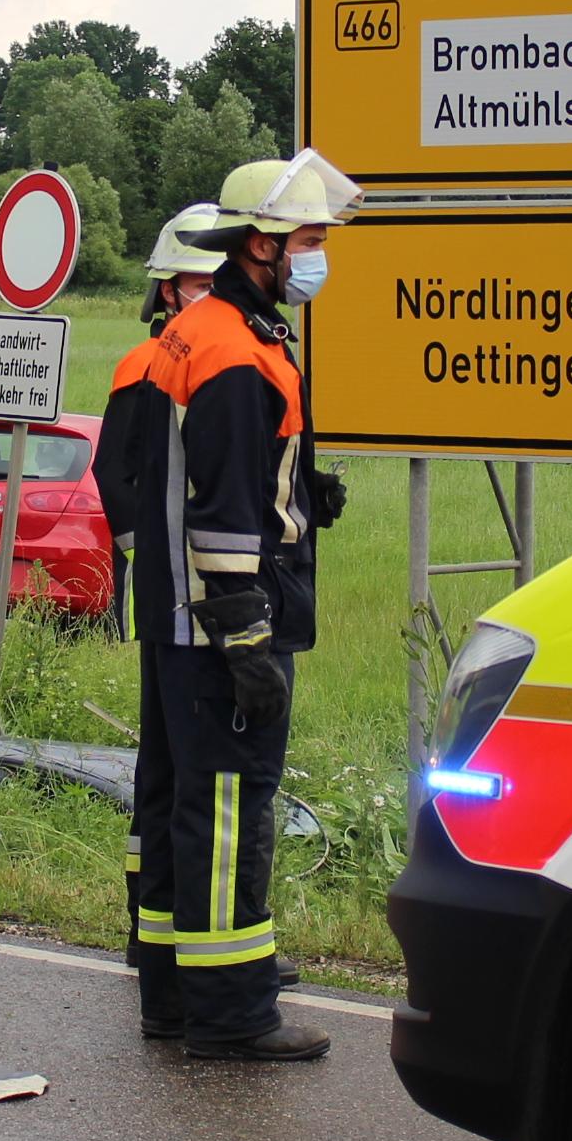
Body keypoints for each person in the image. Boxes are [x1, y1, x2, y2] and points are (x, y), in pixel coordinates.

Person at [136, 150, 363, 1061]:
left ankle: (173, 999)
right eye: (311, 240)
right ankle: (232, 1014)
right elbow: (223, 510)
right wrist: (248, 638)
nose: (319, 258)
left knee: (179, 801)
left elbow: (208, 477)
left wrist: (304, 492)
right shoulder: (236, 349)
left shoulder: (205, 330)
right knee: (230, 806)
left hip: (173, 616)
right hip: (217, 624)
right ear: (263, 245)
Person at [95, 204, 227, 1039]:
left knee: (167, 773)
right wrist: (165, 560)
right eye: (194, 280)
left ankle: (160, 942)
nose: (206, 292)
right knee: (181, 780)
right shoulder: (149, 366)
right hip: (179, 600)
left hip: (173, 595)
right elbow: (120, 483)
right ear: (165, 288)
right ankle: (170, 950)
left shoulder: (208, 356)